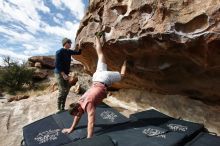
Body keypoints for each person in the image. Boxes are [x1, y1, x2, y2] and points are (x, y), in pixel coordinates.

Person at [61, 33, 127, 138]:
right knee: (100, 55)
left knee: (122, 75)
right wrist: (71, 128)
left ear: (78, 109)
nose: (78, 116)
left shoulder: (88, 105)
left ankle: (126, 60)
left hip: (104, 79)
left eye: (77, 114)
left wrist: (89, 139)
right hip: (96, 77)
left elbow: (91, 123)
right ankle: (96, 36)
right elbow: (77, 117)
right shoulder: (78, 103)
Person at [54, 37, 82, 112]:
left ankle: (62, 107)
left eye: (70, 43)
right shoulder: (59, 52)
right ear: (65, 43)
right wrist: (63, 74)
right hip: (60, 73)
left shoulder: (69, 51)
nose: (70, 44)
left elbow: (78, 53)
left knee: (67, 90)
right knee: (62, 90)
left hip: (66, 74)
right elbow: (57, 65)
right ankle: (59, 108)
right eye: (69, 43)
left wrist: (79, 45)